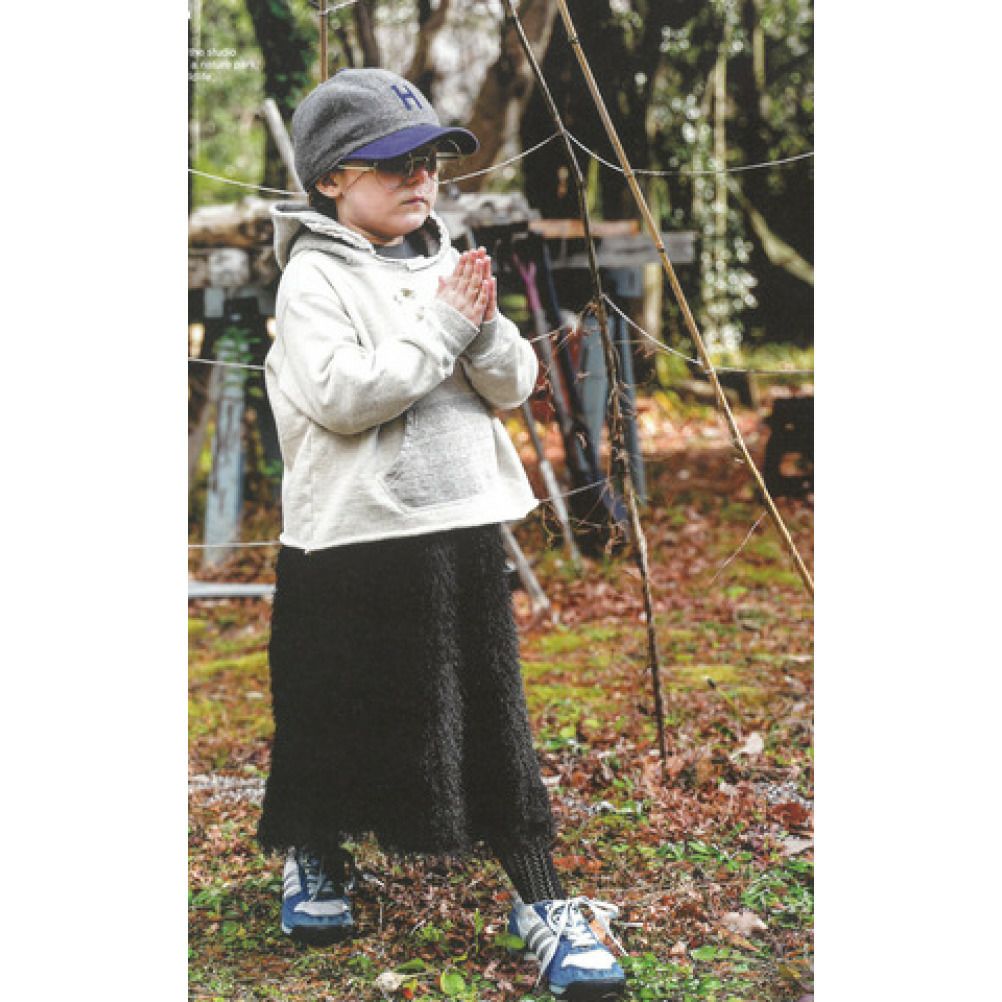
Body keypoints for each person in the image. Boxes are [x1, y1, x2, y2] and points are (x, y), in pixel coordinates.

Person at [258, 67, 627, 1000]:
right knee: (332, 704)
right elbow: (344, 398)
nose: (420, 178)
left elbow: (511, 384)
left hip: (458, 520)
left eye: (429, 161)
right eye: (394, 164)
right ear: (331, 179)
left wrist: (482, 323)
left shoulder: (445, 259)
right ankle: (316, 852)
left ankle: (540, 897)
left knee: (489, 713)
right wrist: (443, 329)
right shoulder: (311, 278)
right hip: (347, 537)